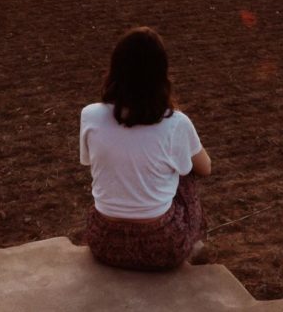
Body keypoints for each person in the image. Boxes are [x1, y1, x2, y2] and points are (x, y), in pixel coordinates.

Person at [80, 26, 211, 270]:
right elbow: (205, 168)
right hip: (163, 247)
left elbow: (90, 161)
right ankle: (192, 242)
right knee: (186, 172)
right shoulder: (176, 123)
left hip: (104, 242)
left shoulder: (90, 115)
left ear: (114, 69)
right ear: (161, 74)